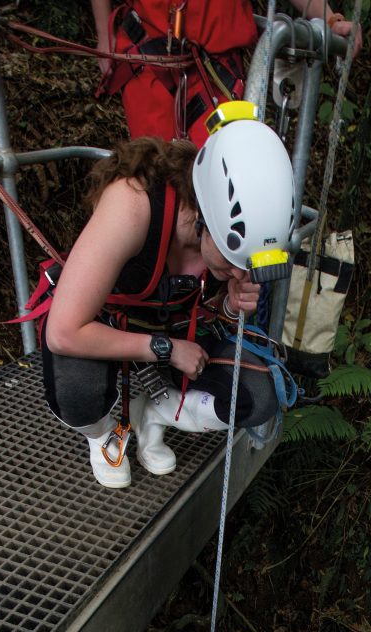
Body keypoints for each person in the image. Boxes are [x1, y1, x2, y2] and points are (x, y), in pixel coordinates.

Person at [42, 108, 295, 487]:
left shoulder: (227, 241)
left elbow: (208, 317)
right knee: (77, 390)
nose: (242, 274)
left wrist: (229, 303)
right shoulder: (132, 204)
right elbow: (63, 331)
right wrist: (165, 349)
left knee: (259, 395)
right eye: (234, 261)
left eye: (250, 267)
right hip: (112, 333)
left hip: (174, 333)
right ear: (204, 218)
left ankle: (155, 413)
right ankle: (104, 432)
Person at [90, 0, 363, 145]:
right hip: (147, 63)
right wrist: (105, 36)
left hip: (215, 75)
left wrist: (330, 20)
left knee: (215, 190)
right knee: (155, 191)